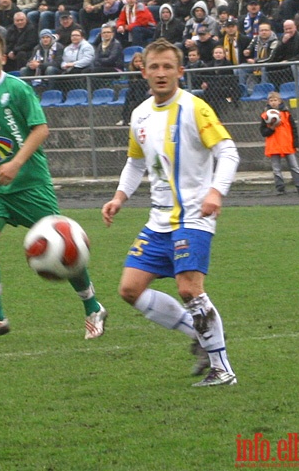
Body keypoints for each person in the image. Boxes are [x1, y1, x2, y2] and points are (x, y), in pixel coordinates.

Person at [102, 39, 240, 387]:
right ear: (143, 71)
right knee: (129, 290)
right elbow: (135, 163)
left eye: (168, 67)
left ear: (180, 71)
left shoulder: (195, 108)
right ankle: (198, 332)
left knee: (190, 289)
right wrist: (119, 198)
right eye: (154, 67)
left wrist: (215, 192)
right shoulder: (140, 114)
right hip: (158, 219)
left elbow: (229, 153)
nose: (161, 73)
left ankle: (222, 369)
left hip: (194, 215)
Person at [0, 31, 108, 343]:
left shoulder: (17, 89)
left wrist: (15, 164)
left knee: (66, 250)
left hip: (31, 185)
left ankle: (93, 307)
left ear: (3, 57)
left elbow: (41, 130)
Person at [259, 91, 299, 195]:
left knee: (294, 167)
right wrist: (272, 128)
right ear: (268, 102)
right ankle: (280, 188)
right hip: (274, 145)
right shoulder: (265, 115)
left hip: (287, 144)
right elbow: (263, 132)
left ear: (280, 101)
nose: (273, 102)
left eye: (275, 100)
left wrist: (296, 144)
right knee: (276, 168)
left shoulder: (286, 114)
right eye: (271, 100)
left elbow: (294, 129)